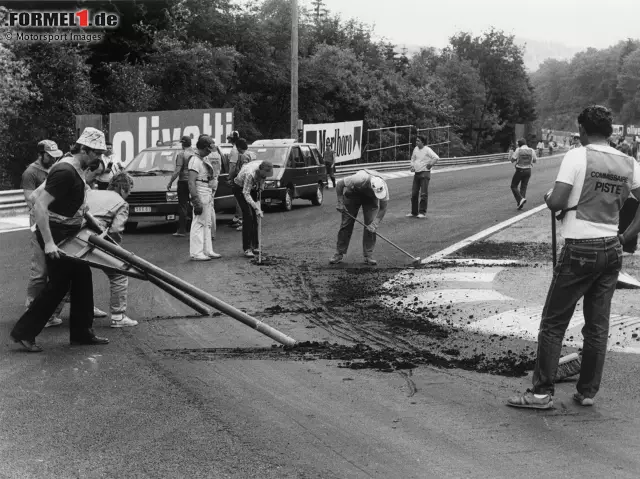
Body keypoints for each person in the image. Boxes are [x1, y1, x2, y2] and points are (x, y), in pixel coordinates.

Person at [507, 105, 640, 410]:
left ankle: (540, 394)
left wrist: (549, 199)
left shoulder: (577, 156)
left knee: (553, 322)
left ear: (581, 128)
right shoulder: (629, 162)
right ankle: (587, 391)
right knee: (597, 325)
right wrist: (627, 235)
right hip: (612, 248)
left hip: (580, 249)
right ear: (610, 131)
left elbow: (556, 201)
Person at [10, 127, 110, 352]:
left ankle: (82, 333)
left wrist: (90, 219)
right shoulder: (65, 171)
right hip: (56, 233)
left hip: (68, 231)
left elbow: (74, 200)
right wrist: (48, 243)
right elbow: (39, 205)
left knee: (82, 277)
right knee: (58, 285)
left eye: (101, 153)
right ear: (83, 149)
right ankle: (24, 333)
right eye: (95, 153)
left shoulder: (77, 168)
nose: (99, 158)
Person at [85, 172, 139, 327]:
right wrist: (116, 252)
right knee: (119, 275)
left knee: (71, 276)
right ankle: (118, 316)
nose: (128, 195)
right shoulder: (122, 203)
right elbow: (115, 231)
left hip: (74, 237)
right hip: (96, 239)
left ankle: (50, 316)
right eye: (129, 191)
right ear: (123, 189)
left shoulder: (91, 193)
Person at [22, 140, 65, 328]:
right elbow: (31, 201)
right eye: (50, 155)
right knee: (40, 271)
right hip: (39, 223)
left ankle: (53, 310)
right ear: (41, 154)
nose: (54, 159)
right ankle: (30, 308)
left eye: (56, 155)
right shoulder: (30, 173)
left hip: (57, 222)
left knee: (61, 268)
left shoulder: (58, 168)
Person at [329, 169, 389, 266]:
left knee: (371, 224)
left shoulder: (383, 187)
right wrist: (340, 202)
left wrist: (375, 223)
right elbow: (340, 184)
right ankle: (339, 253)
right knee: (346, 223)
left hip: (370, 199)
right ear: (370, 186)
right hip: (353, 194)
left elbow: (383, 208)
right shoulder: (359, 179)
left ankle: (368, 255)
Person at [187, 135, 221, 261]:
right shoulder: (194, 160)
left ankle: (207, 250)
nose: (209, 152)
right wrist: (195, 200)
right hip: (200, 190)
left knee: (207, 223)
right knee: (199, 222)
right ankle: (196, 252)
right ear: (202, 147)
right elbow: (191, 182)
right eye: (207, 149)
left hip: (206, 189)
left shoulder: (203, 158)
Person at [232, 160, 273, 257]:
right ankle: (247, 248)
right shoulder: (250, 174)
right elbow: (246, 194)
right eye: (264, 174)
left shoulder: (263, 167)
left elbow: (262, 180)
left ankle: (255, 246)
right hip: (240, 188)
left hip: (252, 187)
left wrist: (261, 187)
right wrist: (257, 208)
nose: (265, 176)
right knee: (248, 215)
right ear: (261, 170)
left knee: (255, 218)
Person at [167, 135, 194, 237]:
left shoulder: (181, 154)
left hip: (183, 181)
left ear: (183, 144)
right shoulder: (194, 153)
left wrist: (170, 182)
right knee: (193, 204)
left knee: (183, 205)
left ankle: (182, 230)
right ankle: (195, 226)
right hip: (193, 181)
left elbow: (178, 170)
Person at [406, 136, 439, 218]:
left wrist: (430, 164)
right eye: (416, 141)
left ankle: (422, 212)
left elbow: (436, 157)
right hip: (417, 173)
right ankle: (414, 212)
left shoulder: (427, 150)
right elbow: (413, 159)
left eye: (418, 141)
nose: (416, 142)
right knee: (414, 193)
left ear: (423, 142)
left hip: (425, 173)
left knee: (423, 193)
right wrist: (412, 166)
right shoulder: (415, 149)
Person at [510, 138, 537, 210]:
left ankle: (520, 199)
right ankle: (520, 203)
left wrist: (512, 154)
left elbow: (512, 160)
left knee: (513, 186)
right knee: (523, 187)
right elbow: (534, 161)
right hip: (528, 170)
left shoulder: (518, 150)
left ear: (519, 144)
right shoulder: (531, 150)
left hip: (520, 170)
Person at [226, 131, 243, 229]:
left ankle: (240, 219)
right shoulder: (240, 149)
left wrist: (229, 177)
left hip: (236, 176)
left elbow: (232, 166)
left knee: (238, 198)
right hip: (240, 176)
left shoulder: (234, 150)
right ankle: (237, 217)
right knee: (239, 198)